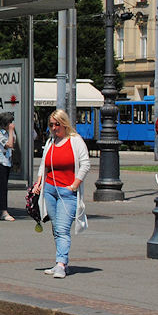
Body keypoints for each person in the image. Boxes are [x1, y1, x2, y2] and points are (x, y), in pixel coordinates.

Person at [32, 109, 91, 278]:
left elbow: (85, 164)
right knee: (56, 228)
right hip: (49, 190)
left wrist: (74, 185)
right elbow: (45, 164)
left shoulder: (75, 141)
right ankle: (62, 262)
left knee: (63, 229)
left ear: (64, 124)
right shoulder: (51, 141)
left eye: (57, 124)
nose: (54, 127)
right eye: (51, 125)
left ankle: (60, 264)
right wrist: (39, 183)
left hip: (67, 192)